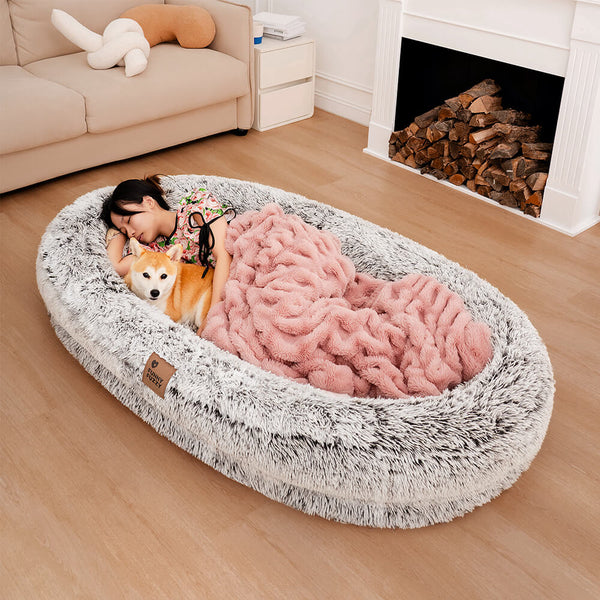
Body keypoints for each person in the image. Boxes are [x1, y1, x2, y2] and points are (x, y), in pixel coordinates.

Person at [101, 175, 235, 315]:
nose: (130, 233)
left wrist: (213, 314)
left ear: (148, 202)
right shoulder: (156, 252)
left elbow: (224, 255)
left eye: (128, 221)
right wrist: (117, 234)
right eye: (124, 231)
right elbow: (116, 266)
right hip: (230, 283)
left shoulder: (194, 205)